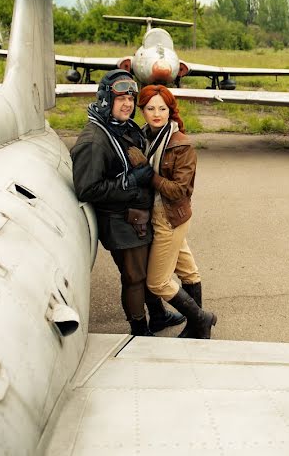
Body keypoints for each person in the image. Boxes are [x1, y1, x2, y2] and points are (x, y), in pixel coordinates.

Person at [70, 70, 185, 336]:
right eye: (120, 98)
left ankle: (157, 315)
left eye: (131, 99)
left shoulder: (123, 127)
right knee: (135, 278)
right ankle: (139, 329)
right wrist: (131, 181)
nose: (128, 104)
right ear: (105, 100)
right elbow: (87, 188)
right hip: (120, 222)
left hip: (136, 218)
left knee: (144, 272)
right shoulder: (94, 140)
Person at [137, 84, 217, 339]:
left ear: (170, 111)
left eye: (162, 108)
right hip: (160, 214)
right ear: (143, 110)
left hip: (169, 219)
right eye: (150, 108)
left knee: (157, 282)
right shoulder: (145, 137)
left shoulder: (181, 145)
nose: (156, 113)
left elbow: (178, 190)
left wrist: (148, 173)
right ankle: (197, 328)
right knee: (188, 271)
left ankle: (201, 319)